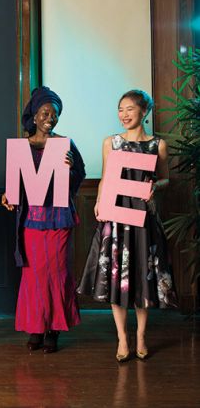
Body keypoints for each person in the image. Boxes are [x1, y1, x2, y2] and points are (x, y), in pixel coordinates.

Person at [77, 90, 177, 362]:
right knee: (115, 278)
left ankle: (142, 335)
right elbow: (106, 179)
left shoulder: (158, 145)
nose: (123, 114)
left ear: (144, 112)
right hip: (116, 217)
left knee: (142, 277)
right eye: (120, 109)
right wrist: (98, 200)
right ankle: (122, 338)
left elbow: (166, 179)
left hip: (144, 217)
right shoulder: (112, 143)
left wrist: (156, 186)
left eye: (129, 109)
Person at [2, 86, 85, 353]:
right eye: (46, 113)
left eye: (55, 114)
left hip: (59, 219)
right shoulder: (21, 146)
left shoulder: (66, 144)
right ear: (35, 116)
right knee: (34, 275)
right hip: (31, 221)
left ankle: (54, 329)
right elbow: (17, 185)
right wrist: (8, 194)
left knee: (57, 273)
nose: (51, 118)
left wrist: (71, 170)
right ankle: (36, 327)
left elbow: (78, 178)